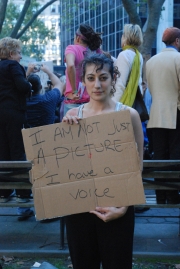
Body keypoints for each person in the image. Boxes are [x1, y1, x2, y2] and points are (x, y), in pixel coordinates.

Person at [62, 53, 143, 269]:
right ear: (82, 81)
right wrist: (64, 132)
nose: (97, 84)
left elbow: (137, 165)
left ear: (113, 79)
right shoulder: (73, 115)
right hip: (80, 209)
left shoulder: (129, 115)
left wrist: (124, 207)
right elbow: (63, 167)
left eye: (103, 77)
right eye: (90, 78)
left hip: (118, 206)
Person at [0, 37, 33, 220]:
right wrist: (29, 85)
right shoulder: (14, 67)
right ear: (11, 53)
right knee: (18, 152)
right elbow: (22, 86)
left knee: (3, 153)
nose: (21, 57)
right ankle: (22, 197)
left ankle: (4, 193)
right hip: (14, 114)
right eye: (19, 53)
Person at [146, 27, 180, 204]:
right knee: (175, 156)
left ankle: (160, 197)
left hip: (156, 115)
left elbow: (150, 89)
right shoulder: (178, 58)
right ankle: (173, 197)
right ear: (177, 41)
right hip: (175, 113)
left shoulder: (151, 61)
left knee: (159, 156)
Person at [64, 23, 102, 115]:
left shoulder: (71, 49)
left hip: (73, 103)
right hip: (92, 103)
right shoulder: (97, 52)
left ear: (77, 38)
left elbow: (70, 65)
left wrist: (74, 90)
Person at [112, 24, 143, 104]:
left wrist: (113, 104)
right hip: (134, 99)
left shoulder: (124, 54)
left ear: (126, 38)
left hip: (124, 100)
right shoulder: (138, 55)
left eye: (123, 35)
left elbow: (120, 84)